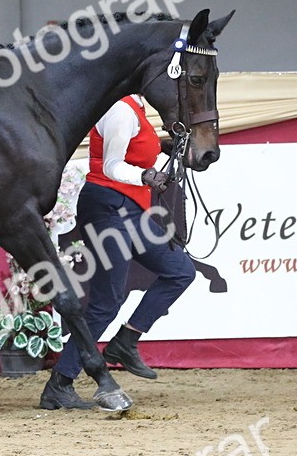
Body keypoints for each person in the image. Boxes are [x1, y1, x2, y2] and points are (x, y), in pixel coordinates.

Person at [39, 94, 197, 410]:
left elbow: (133, 152)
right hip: (107, 207)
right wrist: (146, 176)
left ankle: (126, 342)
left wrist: (162, 149)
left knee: (180, 270)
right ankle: (59, 384)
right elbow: (112, 165)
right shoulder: (122, 110)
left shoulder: (138, 107)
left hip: (131, 209)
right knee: (106, 301)